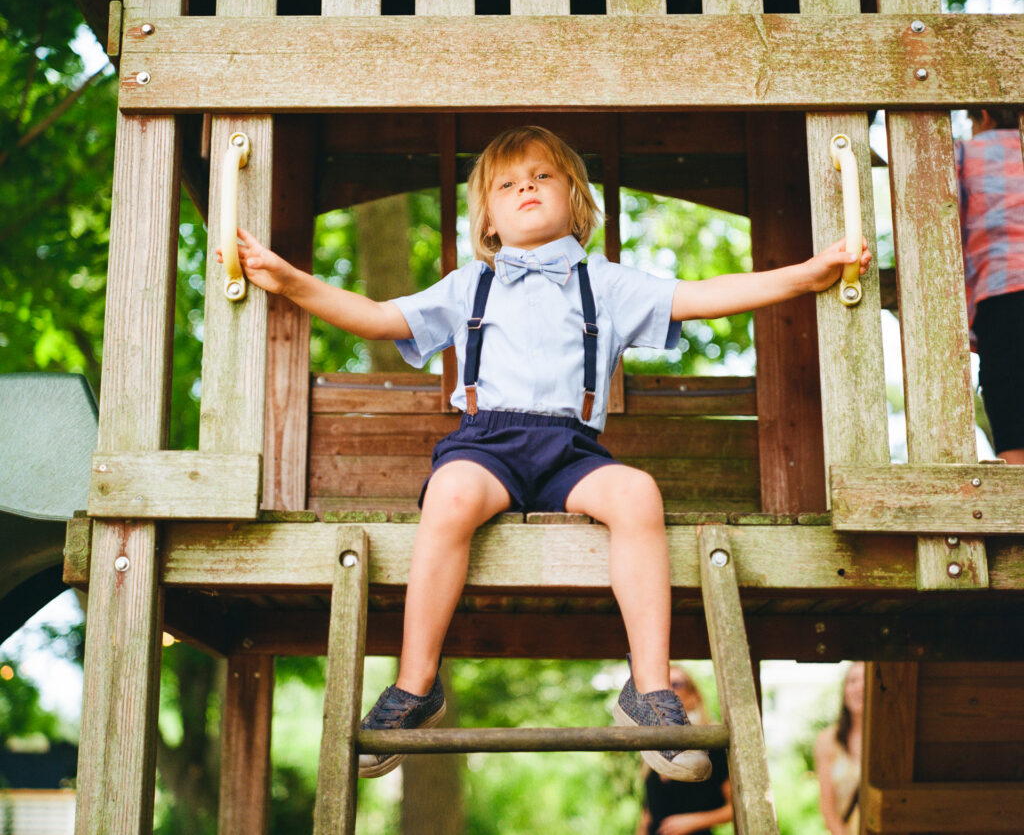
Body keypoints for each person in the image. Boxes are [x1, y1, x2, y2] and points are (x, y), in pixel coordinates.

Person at [219, 125, 870, 781]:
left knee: (638, 492)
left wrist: (809, 273)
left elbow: (705, 294)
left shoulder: (605, 283)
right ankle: (416, 683)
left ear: (575, 198)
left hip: (569, 451)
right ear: (490, 219)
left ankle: (648, 690)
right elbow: (380, 316)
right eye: (507, 183)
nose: (524, 186)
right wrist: (292, 281)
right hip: (486, 444)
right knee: (449, 495)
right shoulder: (470, 284)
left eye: (541, 176)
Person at [956, 107, 1024, 464]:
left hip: (1002, 294)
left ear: (983, 114)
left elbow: (948, 219)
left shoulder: (967, 153)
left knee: (1009, 390)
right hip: (1003, 291)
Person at [636, 666, 732, 835]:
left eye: (676, 684)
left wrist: (693, 822)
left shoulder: (712, 748)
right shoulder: (652, 745)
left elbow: (734, 808)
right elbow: (647, 815)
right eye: (662, 687)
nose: (668, 692)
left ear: (694, 696)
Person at [814, 662, 864, 835]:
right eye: (853, 681)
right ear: (844, 690)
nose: (860, 687)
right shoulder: (828, 740)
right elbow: (827, 807)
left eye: (866, 681)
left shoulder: (889, 738)